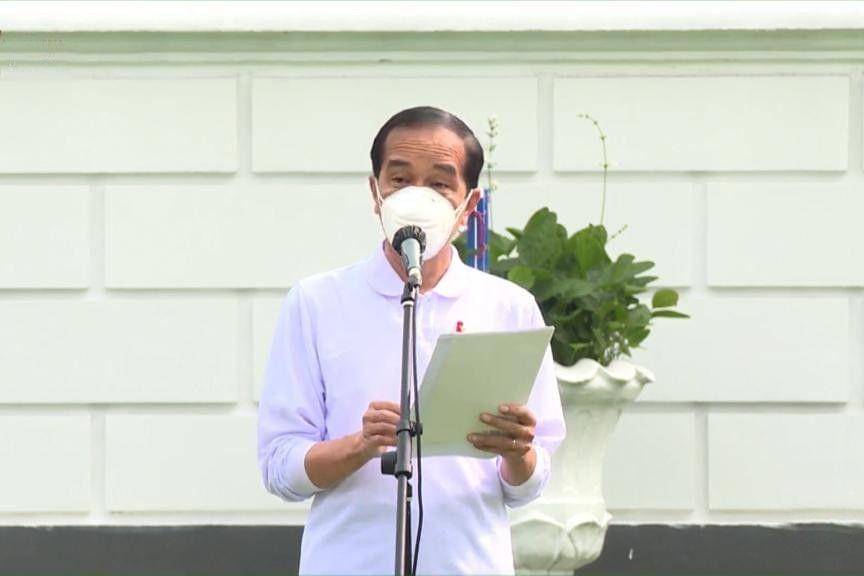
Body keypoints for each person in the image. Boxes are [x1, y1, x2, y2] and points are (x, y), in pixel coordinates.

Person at [257, 105, 566, 575]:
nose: (417, 198)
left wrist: (517, 451)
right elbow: (280, 467)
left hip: (467, 563)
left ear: (469, 206)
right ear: (375, 192)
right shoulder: (317, 303)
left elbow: (530, 482)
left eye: (440, 184)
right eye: (400, 180)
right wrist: (359, 446)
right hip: (349, 563)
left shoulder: (509, 308)